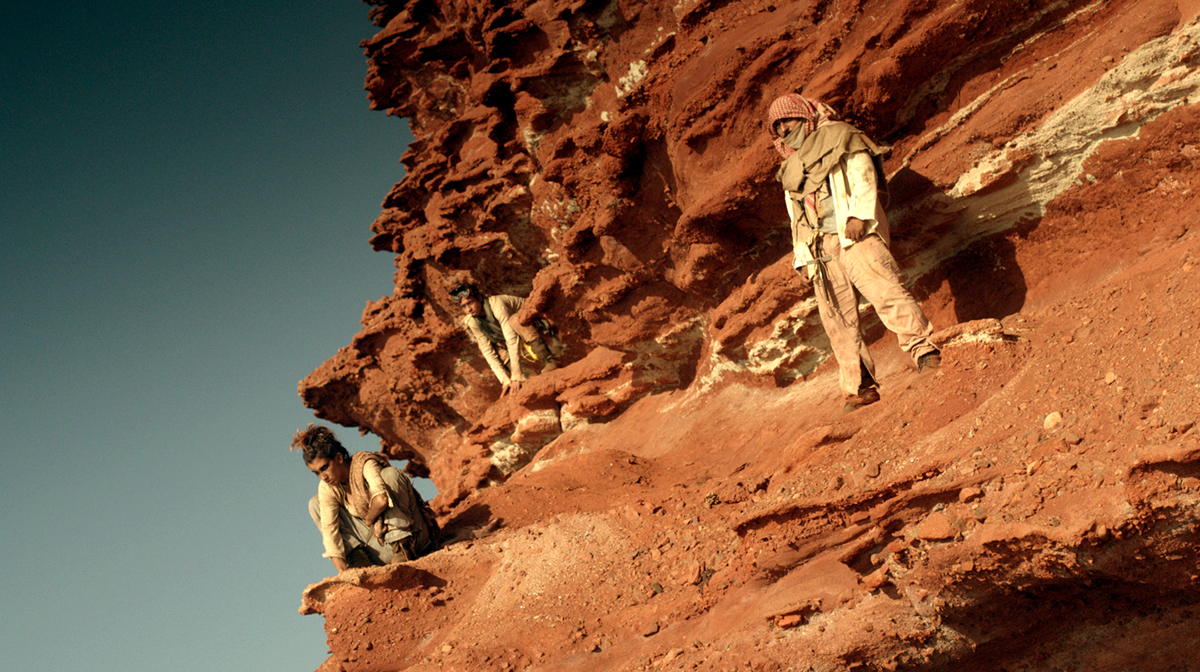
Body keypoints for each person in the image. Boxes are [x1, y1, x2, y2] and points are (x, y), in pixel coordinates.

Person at [767, 93, 941, 412]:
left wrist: (859, 215)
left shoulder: (840, 135)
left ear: (803, 116)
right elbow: (797, 216)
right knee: (837, 320)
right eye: (776, 126)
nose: (783, 130)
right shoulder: (791, 166)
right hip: (822, 248)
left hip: (855, 233)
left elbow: (862, 173)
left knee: (887, 292)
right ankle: (859, 387)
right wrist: (803, 257)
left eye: (787, 121)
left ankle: (927, 353)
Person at [291, 424, 439, 572]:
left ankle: (403, 548)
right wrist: (343, 574)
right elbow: (330, 532)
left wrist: (369, 519)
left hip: (412, 537)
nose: (323, 476)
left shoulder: (364, 463)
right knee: (315, 503)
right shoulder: (327, 487)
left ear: (338, 458)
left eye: (324, 467)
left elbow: (381, 500)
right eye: (316, 472)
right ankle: (359, 561)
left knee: (390, 475)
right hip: (379, 548)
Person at [450, 284, 559, 396]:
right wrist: (504, 380)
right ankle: (527, 377)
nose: (468, 309)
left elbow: (511, 339)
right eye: (463, 306)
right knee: (493, 346)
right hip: (515, 338)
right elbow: (487, 351)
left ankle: (549, 360)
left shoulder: (497, 305)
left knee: (515, 321)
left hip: (537, 327)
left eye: (470, 303)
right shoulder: (472, 321)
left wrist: (516, 375)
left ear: (479, 298)